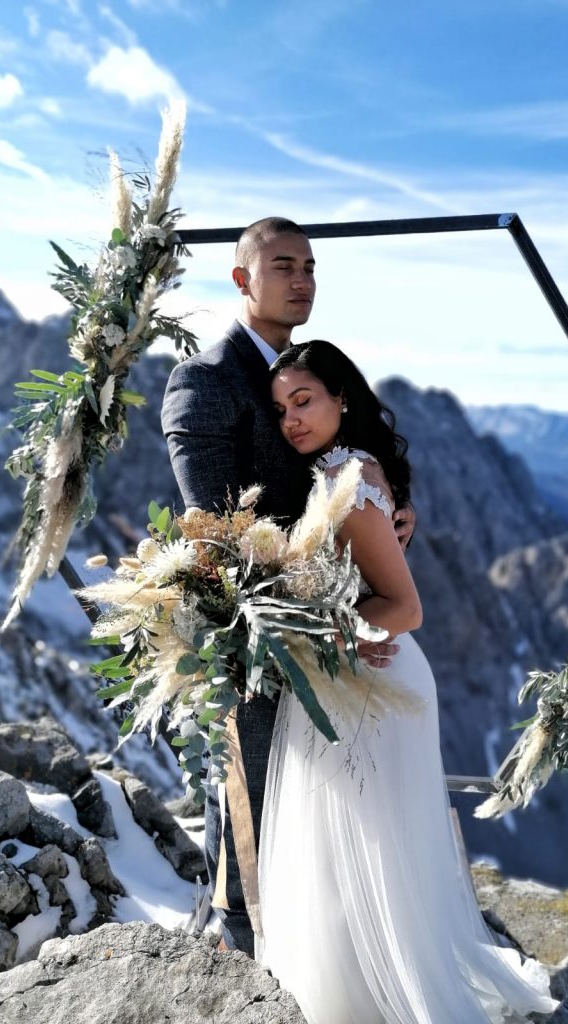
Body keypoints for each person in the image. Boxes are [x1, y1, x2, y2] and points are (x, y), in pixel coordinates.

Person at [260, 338, 557, 1023]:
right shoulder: (336, 471)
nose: (291, 420)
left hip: (375, 685)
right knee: (347, 853)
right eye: (280, 410)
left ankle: (383, 1002)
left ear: (341, 398)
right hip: (352, 680)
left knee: (373, 852)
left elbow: (406, 608)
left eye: (303, 401)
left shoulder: (350, 476)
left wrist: (324, 633)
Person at [160, 217, 415, 956]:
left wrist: (389, 514)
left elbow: (350, 476)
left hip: (334, 634)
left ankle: (325, 953)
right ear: (242, 278)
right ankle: (241, 959)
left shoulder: (308, 369)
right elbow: (215, 529)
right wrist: (321, 609)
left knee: (323, 816)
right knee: (251, 805)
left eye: (309, 267)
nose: (301, 280)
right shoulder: (205, 380)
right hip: (257, 636)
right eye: (283, 266)